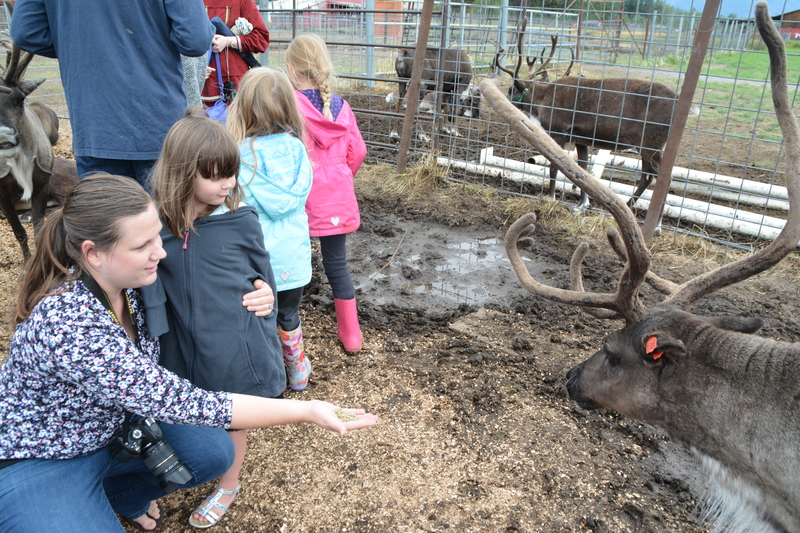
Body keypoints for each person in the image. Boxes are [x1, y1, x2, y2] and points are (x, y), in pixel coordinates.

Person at [0, 174, 378, 533]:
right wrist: (307, 410)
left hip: (111, 431)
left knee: (212, 450)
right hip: (45, 455)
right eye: (142, 245)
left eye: (156, 238)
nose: (159, 252)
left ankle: (119, 497)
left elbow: (201, 276)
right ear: (92, 253)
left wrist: (262, 290)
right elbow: (185, 402)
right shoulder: (70, 323)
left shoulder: (127, 282)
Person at [147, 110, 288, 528]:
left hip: (228, 343)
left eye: (231, 172)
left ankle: (228, 484)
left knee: (230, 415)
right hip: (175, 342)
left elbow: (263, 274)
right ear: (182, 173)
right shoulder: (154, 225)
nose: (227, 183)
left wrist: (267, 295)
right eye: (215, 175)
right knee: (179, 410)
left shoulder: (239, 219)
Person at [10, 0, 215, 189]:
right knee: (167, 225)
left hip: (95, 128)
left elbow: (26, 32)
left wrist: (82, 45)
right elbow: (195, 39)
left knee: (106, 224)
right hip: (159, 126)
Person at [227, 68, 314, 392]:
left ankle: (267, 379)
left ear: (243, 106)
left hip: (256, 261)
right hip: (293, 260)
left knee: (259, 321)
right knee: (289, 316)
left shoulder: (237, 155)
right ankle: (298, 374)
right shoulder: (298, 149)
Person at [285, 34, 368, 353]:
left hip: (301, 198)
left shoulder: (289, 104)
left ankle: (290, 326)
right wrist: (342, 175)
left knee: (293, 259)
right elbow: (357, 151)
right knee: (337, 265)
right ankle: (351, 337)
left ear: (291, 69)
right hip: (338, 195)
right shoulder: (341, 106)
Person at [202, 0, 269, 105]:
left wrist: (229, 41)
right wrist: (196, 65)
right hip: (201, 85)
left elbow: (261, 39)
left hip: (235, 84)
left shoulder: (243, 1)